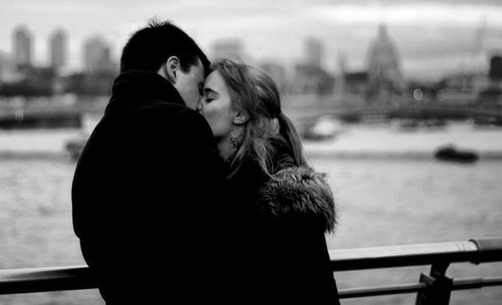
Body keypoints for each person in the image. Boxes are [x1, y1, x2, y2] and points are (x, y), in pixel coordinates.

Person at [72, 19, 227, 305]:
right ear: (173, 68)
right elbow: (218, 230)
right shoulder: (183, 123)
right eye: (199, 86)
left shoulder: (97, 140)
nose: (199, 104)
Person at [197, 56, 340, 304]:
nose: (198, 105)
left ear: (240, 113)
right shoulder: (222, 181)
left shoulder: (284, 201)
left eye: (209, 98)